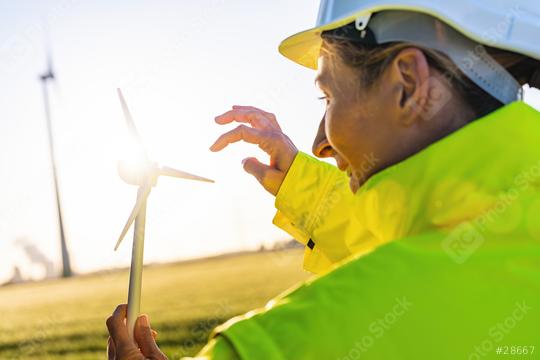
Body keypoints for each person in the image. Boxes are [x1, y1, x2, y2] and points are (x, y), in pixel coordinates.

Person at [106, 1, 540, 358]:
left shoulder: (296, 342)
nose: (320, 143)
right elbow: (432, 244)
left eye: (328, 95)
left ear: (408, 84)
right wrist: (300, 182)